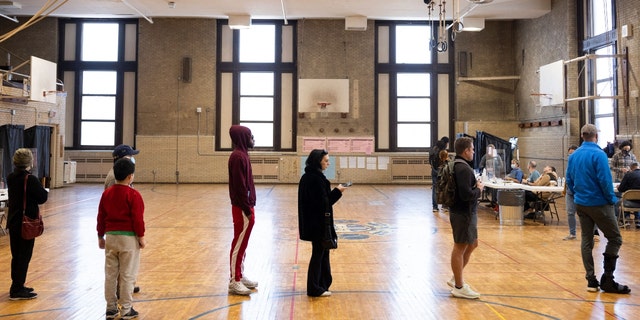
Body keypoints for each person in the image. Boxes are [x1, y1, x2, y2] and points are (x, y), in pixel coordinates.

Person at [566, 124, 630, 294]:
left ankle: (591, 280)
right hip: (599, 203)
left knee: (586, 240)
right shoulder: (599, 154)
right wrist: (611, 199)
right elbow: (604, 180)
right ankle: (608, 278)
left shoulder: (574, 156)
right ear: (596, 136)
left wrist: (577, 193)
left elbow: (569, 179)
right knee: (615, 238)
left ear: (582, 136)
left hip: (581, 203)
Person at [97, 158, 146, 319]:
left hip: (111, 237)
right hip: (128, 238)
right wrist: (141, 236)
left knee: (111, 274)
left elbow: (101, 216)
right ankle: (126, 309)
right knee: (127, 274)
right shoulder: (133, 195)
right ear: (130, 176)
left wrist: (100, 235)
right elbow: (138, 219)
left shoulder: (107, 193)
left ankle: (110, 308)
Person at [298, 149, 348, 297]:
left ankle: (322, 284)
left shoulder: (309, 177)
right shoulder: (315, 179)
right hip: (317, 224)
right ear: (317, 161)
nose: (328, 163)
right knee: (318, 254)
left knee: (322, 254)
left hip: (315, 223)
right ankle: (314, 288)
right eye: (326, 160)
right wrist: (338, 191)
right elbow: (324, 203)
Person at [6, 148, 48, 300]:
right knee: (23, 256)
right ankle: (17, 289)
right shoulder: (30, 179)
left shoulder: (11, 177)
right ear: (30, 162)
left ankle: (17, 285)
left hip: (13, 221)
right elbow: (42, 197)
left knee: (16, 255)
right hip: (25, 223)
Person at [447, 137, 483, 299]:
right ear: (466, 151)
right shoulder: (463, 169)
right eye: (472, 149)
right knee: (460, 247)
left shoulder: (457, 165)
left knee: (473, 243)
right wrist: (479, 189)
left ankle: (457, 275)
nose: (474, 152)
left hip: (464, 212)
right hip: (463, 213)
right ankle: (459, 286)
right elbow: (466, 194)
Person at [104, 144, 141, 295]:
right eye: (130, 156)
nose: (133, 159)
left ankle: (123, 287)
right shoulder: (115, 178)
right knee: (121, 262)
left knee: (122, 261)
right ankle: (121, 291)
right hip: (120, 227)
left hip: (120, 226)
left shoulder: (121, 175)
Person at [227, 125, 258, 295]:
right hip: (242, 208)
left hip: (246, 206)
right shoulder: (238, 157)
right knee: (238, 243)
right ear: (243, 138)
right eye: (250, 136)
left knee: (243, 243)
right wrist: (247, 208)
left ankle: (239, 274)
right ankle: (234, 280)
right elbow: (239, 187)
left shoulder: (243, 155)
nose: (253, 139)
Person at [615, 162, 640, 227]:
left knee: (617, 203)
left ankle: (623, 221)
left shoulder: (628, 175)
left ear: (631, 168)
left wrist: (620, 187)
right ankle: (638, 221)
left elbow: (620, 189)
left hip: (629, 202)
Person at [430, 136, 449, 212]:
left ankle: (435, 207)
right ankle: (444, 206)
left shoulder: (432, 150)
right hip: (442, 171)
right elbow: (445, 162)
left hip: (434, 170)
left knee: (435, 188)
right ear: (446, 143)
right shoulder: (443, 151)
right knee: (444, 188)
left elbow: (430, 161)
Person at [563, 145, 579, 240]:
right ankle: (572, 233)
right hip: (570, 192)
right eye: (569, 154)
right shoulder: (568, 166)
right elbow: (568, 179)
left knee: (586, 213)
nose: (570, 156)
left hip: (580, 192)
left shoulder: (581, 165)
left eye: (572, 154)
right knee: (570, 212)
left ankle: (593, 234)